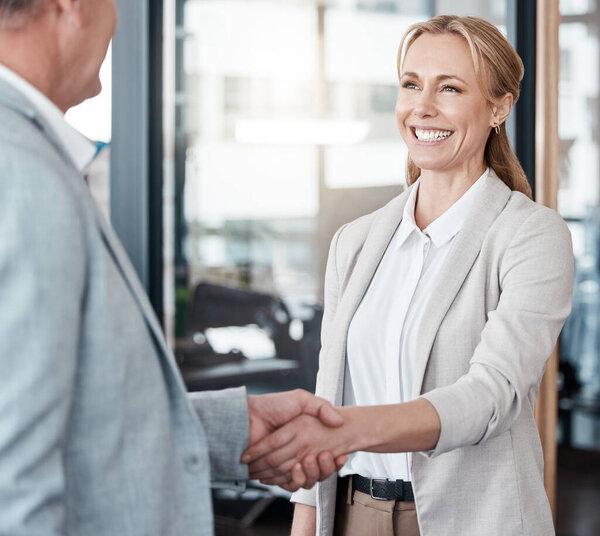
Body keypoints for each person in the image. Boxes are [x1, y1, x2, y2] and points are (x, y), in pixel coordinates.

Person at [0, 1, 344, 534]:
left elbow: (79, 425)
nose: (117, 20)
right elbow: (12, 482)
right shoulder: (23, 176)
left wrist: (236, 427)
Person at [242, 15, 575, 536]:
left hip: (473, 520)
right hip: (352, 514)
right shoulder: (354, 242)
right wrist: (305, 521)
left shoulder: (531, 236)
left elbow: (490, 397)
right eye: (411, 84)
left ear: (499, 107)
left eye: (450, 88)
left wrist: (347, 432)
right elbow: (329, 394)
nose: (423, 106)